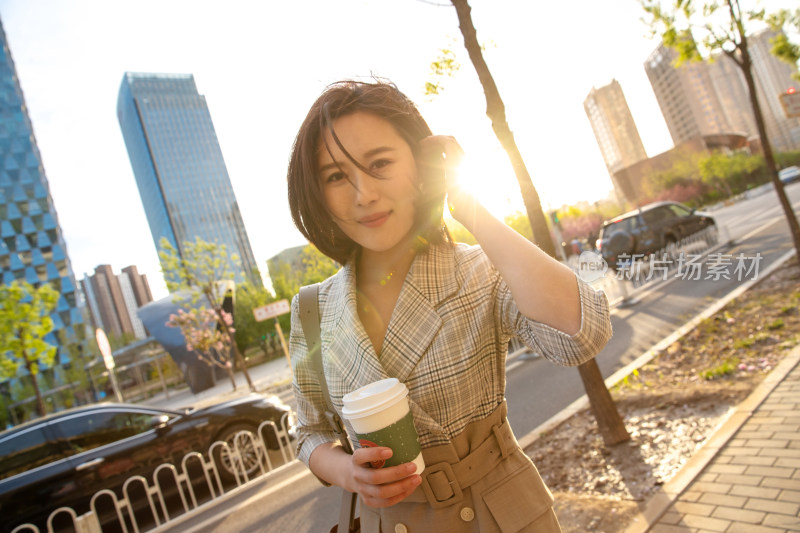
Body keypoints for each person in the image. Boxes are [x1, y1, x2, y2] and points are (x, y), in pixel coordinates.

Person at [287, 80, 612, 532]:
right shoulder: (313, 310)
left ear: (421, 166)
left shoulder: (479, 270)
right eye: (337, 176)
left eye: (380, 163)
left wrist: (470, 207)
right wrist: (350, 474)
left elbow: (584, 334)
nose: (363, 194)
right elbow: (310, 431)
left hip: (499, 517)